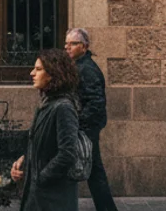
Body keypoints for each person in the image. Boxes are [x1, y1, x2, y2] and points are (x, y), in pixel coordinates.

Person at [10, 49, 81, 211]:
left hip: (53, 199)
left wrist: (40, 178)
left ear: (53, 74)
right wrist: (23, 162)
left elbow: (68, 154)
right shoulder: (46, 105)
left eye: (38, 69)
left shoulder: (63, 107)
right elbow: (41, 145)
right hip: (39, 196)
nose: (32, 73)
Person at [64, 27, 117, 211]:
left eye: (73, 44)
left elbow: (95, 103)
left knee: (94, 171)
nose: (67, 47)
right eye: (66, 44)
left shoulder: (87, 69)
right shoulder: (79, 66)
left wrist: (79, 124)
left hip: (87, 128)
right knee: (94, 172)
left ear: (84, 47)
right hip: (85, 127)